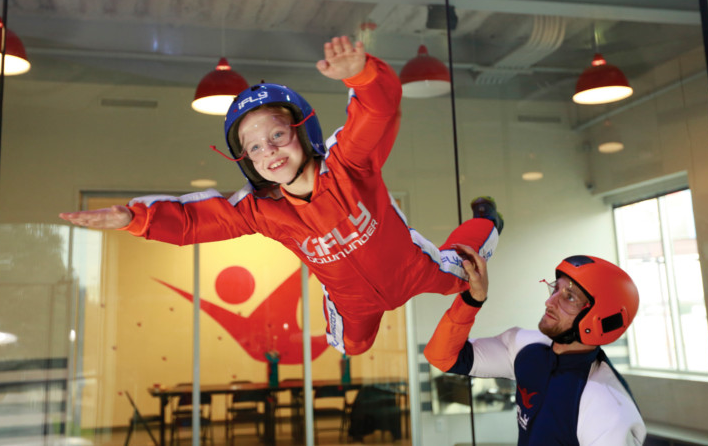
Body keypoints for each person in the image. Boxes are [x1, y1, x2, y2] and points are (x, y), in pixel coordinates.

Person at [59, 36, 502, 356]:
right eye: (254, 147)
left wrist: (362, 76)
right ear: (246, 161)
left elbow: (378, 110)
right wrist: (135, 218)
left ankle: (488, 218)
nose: (268, 150)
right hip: (354, 303)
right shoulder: (260, 211)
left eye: (276, 134)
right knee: (351, 347)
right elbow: (194, 222)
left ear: (302, 131)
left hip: (412, 269)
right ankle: (343, 310)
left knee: (467, 268)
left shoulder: (348, 163)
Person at [424, 248, 646, 445]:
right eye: (555, 290)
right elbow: (442, 356)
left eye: (569, 297)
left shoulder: (606, 407)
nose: (549, 302)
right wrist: (472, 300)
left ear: (600, 318)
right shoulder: (527, 348)